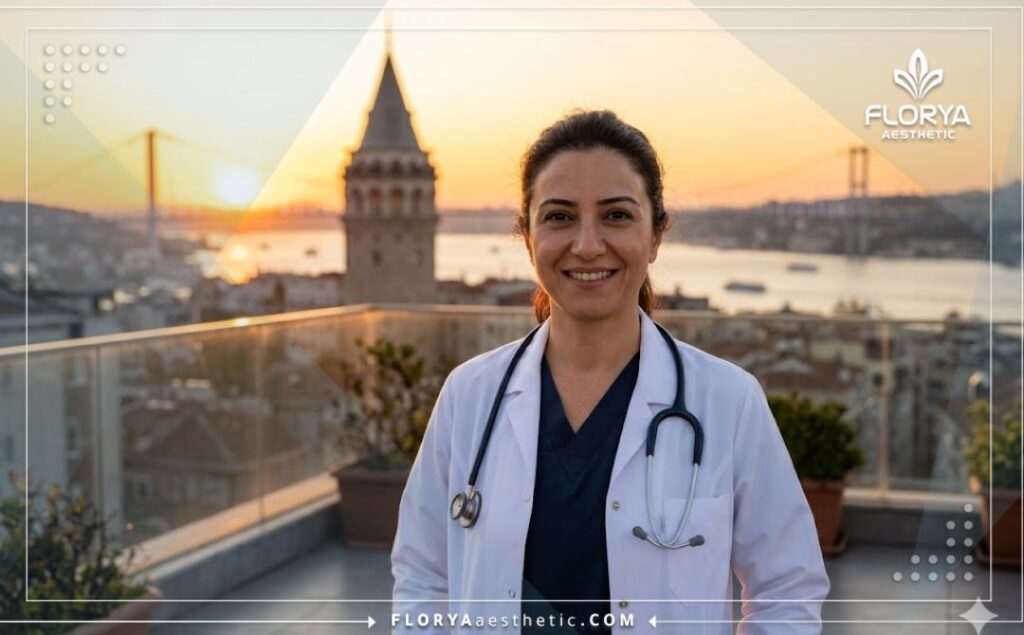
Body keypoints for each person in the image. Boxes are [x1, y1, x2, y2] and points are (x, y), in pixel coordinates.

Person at [391, 110, 829, 634]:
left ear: (656, 234)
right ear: (527, 236)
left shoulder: (728, 401)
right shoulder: (470, 395)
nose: (588, 245)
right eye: (559, 217)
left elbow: (787, 589)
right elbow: (421, 576)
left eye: (616, 216)